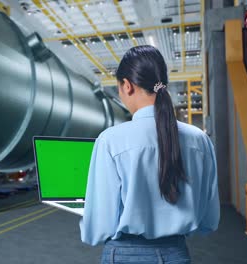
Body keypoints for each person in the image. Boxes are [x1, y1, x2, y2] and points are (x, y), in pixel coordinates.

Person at [79, 45, 220, 264]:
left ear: (127, 86)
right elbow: (209, 220)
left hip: (125, 255)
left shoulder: (110, 140)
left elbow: (98, 228)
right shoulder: (199, 140)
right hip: (176, 253)